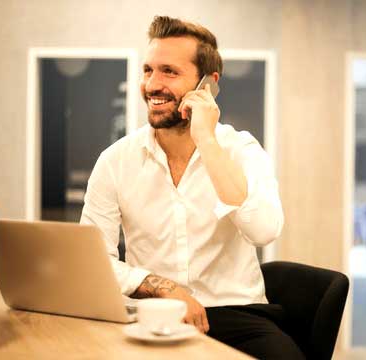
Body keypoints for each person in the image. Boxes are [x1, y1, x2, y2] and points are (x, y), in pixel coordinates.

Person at [80, 15, 304, 359]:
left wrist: (206, 140)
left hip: (237, 314)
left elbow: (262, 231)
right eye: (148, 70)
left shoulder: (241, 150)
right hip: (152, 314)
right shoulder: (115, 161)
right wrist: (165, 289)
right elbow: (95, 261)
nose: (152, 85)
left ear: (208, 84)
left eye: (169, 72)